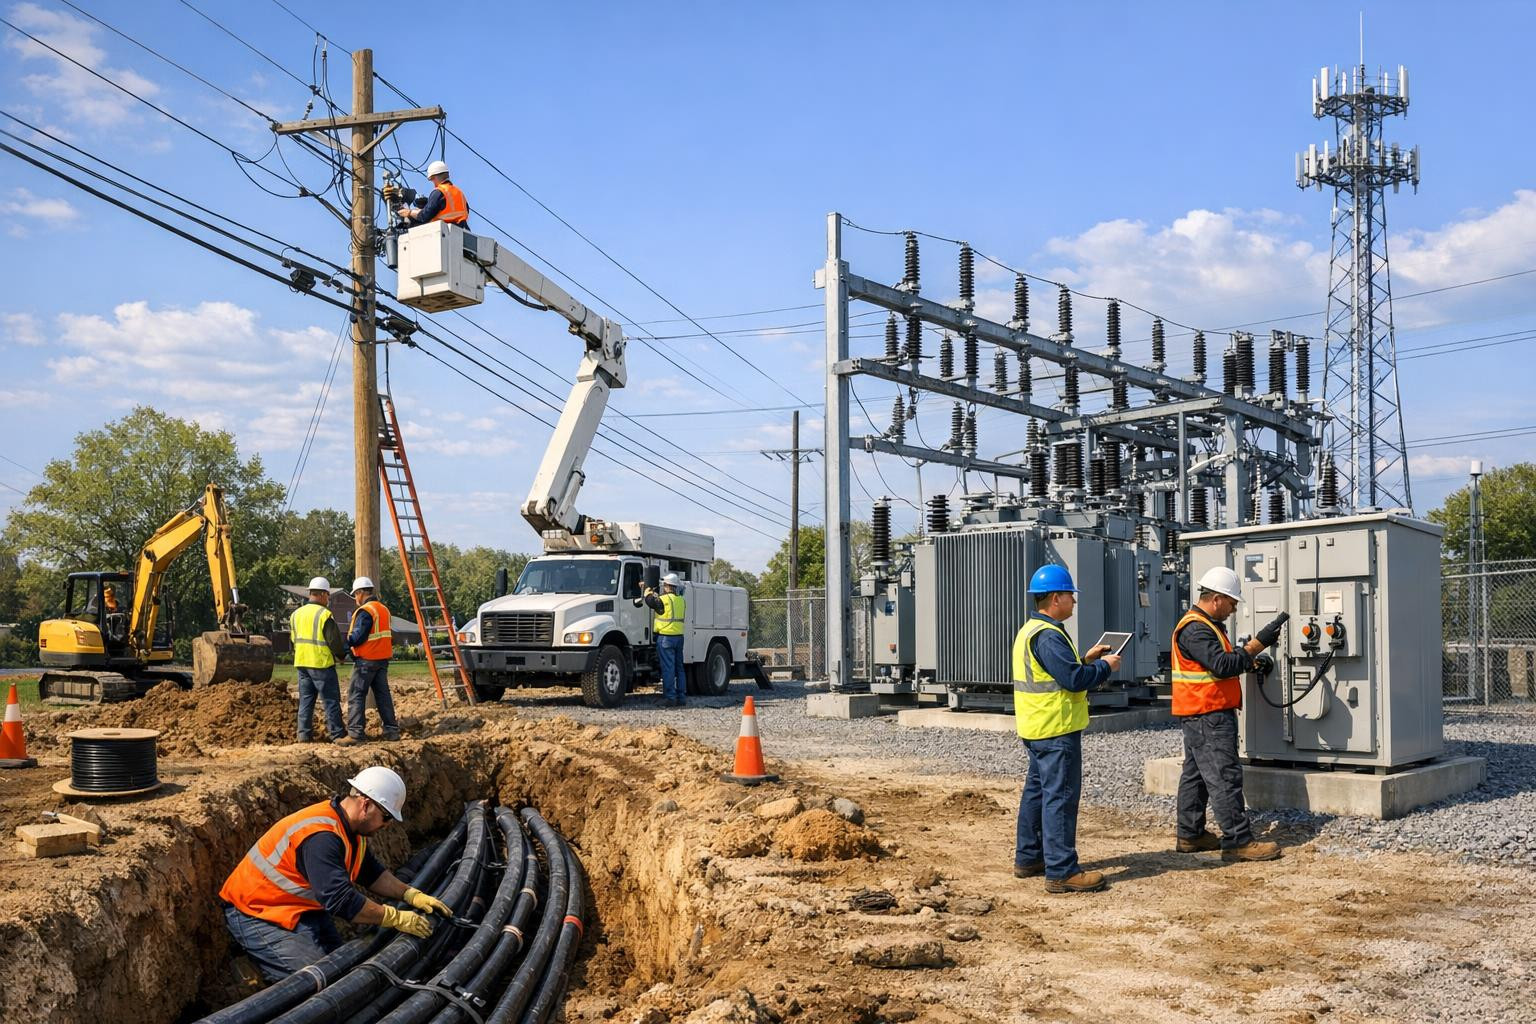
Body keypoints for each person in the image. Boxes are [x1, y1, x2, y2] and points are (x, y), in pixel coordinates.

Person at [219, 766, 450, 982]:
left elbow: (370, 872)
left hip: (298, 909)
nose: (387, 824)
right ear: (366, 805)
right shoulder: (322, 837)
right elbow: (341, 901)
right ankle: (251, 970)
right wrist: (395, 918)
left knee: (345, 972)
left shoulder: (350, 830)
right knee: (317, 985)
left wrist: (411, 894)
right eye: (386, 817)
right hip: (258, 912)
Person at [1012, 564, 1122, 895]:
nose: (1074, 601)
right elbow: (1073, 680)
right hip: (1056, 730)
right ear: (1056, 598)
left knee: (1037, 793)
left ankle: (1029, 857)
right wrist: (1104, 667)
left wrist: (1086, 658)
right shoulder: (1049, 636)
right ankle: (1061, 870)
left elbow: (1061, 671)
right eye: (1070, 595)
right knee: (1059, 797)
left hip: (1037, 728)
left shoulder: (1031, 630)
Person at [1171, 566, 1289, 862]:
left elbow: (1217, 664)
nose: (1234, 610)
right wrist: (1256, 645)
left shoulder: (1206, 625)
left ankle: (1190, 834)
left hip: (1201, 712)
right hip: (1208, 714)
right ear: (1216, 598)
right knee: (1224, 776)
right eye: (1232, 603)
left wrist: (1248, 661)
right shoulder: (1196, 628)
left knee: (1196, 775)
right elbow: (1221, 665)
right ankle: (1237, 840)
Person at [290, 577, 355, 746]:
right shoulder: (324, 614)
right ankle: (337, 735)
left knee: (306, 701)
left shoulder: (295, 614)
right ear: (322, 595)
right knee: (331, 701)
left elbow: (293, 639)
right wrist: (341, 656)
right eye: (328, 596)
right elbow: (333, 641)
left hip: (302, 663)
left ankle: (303, 735)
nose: (329, 599)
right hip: (321, 664)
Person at [346, 576, 400, 741]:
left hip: (366, 660)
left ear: (362, 593)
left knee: (356, 695)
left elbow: (358, 636)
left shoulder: (366, 611)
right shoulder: (383, 609)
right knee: (383, 696)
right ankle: (391, 731)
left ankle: (355, 734)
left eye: (356, 594)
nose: (355, 598)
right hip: (381, 660)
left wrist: (345, 644)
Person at [642, 572, 687, 705]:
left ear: (667, 586)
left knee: (668, 669)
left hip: (666, 638)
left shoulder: (664, 600)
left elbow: (650, 601)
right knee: (679, 668)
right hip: (679, 637)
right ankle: (681, 698)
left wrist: (646, 591)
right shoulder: (681, 600)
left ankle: (670, 698)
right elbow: (659, 601)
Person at [396, 160, 469, 229]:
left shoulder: (439, 192)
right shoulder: (459, 192)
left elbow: (424, 216)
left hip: (444, 232)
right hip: (462, 231)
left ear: (433, 177)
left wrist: (409, 212)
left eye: (431, 180)